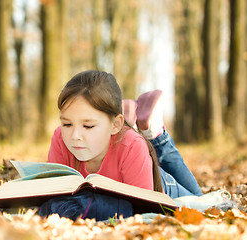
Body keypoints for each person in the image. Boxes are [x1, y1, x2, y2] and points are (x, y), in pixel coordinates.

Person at [39, 70, 202, 220]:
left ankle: (156, 135)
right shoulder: (60, 138)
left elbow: (144, 211)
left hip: (158, 183)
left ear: (115, 125)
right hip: (128, 162)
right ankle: (130, 117)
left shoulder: (132, 146)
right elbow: (56, 193)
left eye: (88, 126)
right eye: (67, 124)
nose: (75, 136)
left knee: (204, 203)